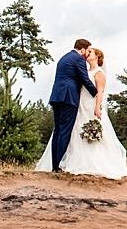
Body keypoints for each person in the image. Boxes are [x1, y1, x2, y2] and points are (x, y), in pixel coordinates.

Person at [36, 47, 127, 179]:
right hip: (79, 104)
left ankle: (93, 162)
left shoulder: (99, 73)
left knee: (91, 132)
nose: (87, 54)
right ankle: (72, 160)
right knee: (74, 132)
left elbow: (100, 91)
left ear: (97, 56)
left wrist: (98, 107)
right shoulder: (84, 70)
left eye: (90, 52)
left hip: (90, 105)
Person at [40, 38, 97, 173]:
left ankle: (55, 164)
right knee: (65, 130)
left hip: (56, 96)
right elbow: (84, 79)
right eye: (87, 51)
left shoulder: (64, 58)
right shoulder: (79, 59)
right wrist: (95, 92)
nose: (87, 54)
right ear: (82, 49)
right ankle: (57, 165)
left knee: (58, 130)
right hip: (68, 98)